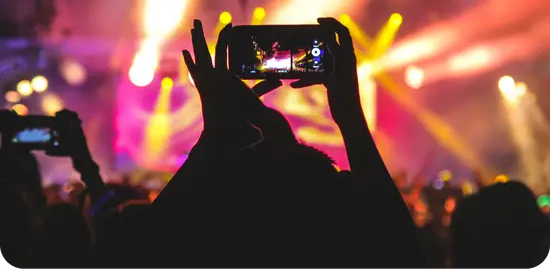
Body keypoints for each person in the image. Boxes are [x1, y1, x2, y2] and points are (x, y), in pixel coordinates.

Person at [144, 18, 427, 268]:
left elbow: (141, 251)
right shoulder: (350, 246)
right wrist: (350, 115)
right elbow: (401, 246)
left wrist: (215, 138)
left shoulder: (217, 244)